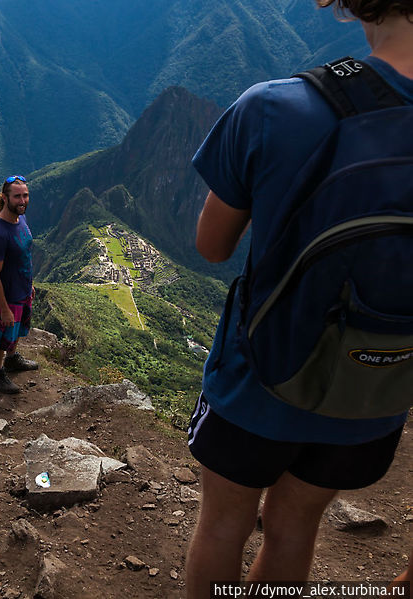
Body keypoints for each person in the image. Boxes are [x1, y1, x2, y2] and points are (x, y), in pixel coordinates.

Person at [185, 2, 413, 595]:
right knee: (294, 525)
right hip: (376, 389)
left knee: (224, 525)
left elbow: (211, 246)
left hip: (260, 375)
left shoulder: (277, 107)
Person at [0, 175, 39, 394]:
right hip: (8, 297)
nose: (22, 200)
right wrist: (4, 308)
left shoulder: (20, 219)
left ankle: (12, 359)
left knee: (15, 333)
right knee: (1, 336)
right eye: (17, 196)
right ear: (5, 198)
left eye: (25, 195)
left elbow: (24, 255)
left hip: (23, 291)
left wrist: (29, 285)